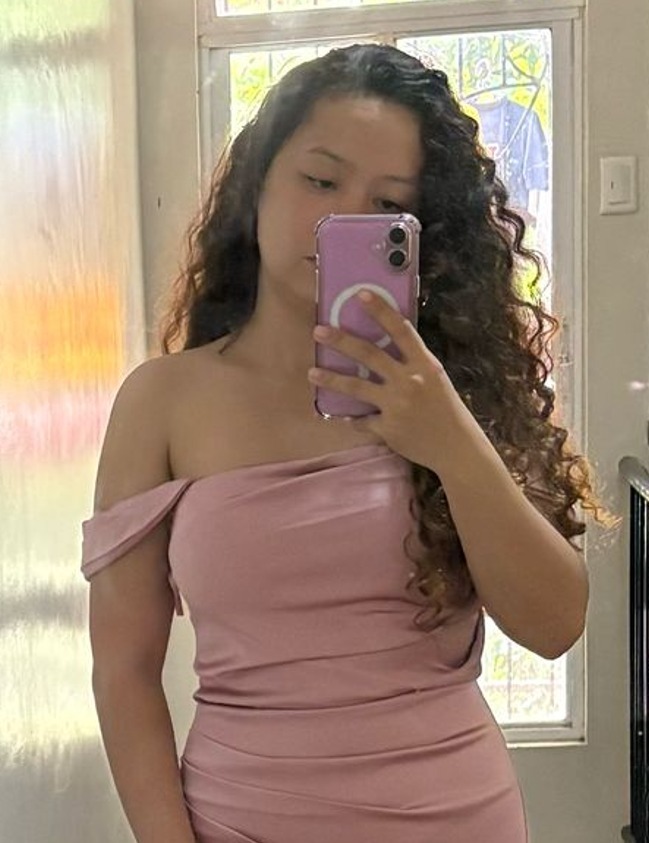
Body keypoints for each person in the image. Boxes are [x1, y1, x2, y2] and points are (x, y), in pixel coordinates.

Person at [80, 43, 607, 843]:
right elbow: (123, 672)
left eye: (385, 202)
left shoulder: (453, 393)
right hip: (240, 820)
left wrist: (449, 440)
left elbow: (552, 624)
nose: (340, 219)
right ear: (257, 182)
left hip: (454, 819)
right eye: (320, 181)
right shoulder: (162, 402)